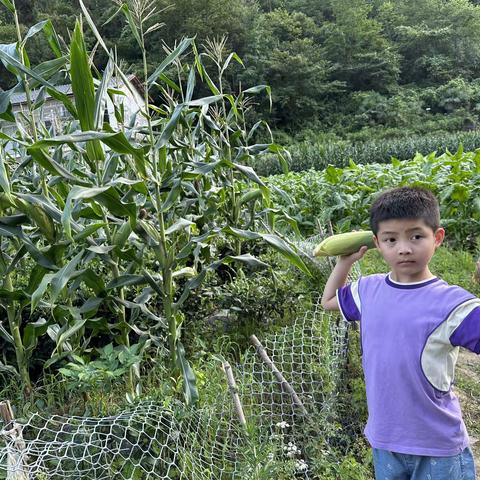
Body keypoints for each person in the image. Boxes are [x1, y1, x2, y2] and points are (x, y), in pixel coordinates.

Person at [321, 186, 479, 480]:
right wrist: (345, 262)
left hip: (437, 445)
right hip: (385, 441)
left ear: (438, 238)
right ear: (378, 244)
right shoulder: (367, 290)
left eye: (416, 236)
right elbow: (329, 301)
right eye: (391, 239)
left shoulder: (454, 303)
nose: (404, 248)